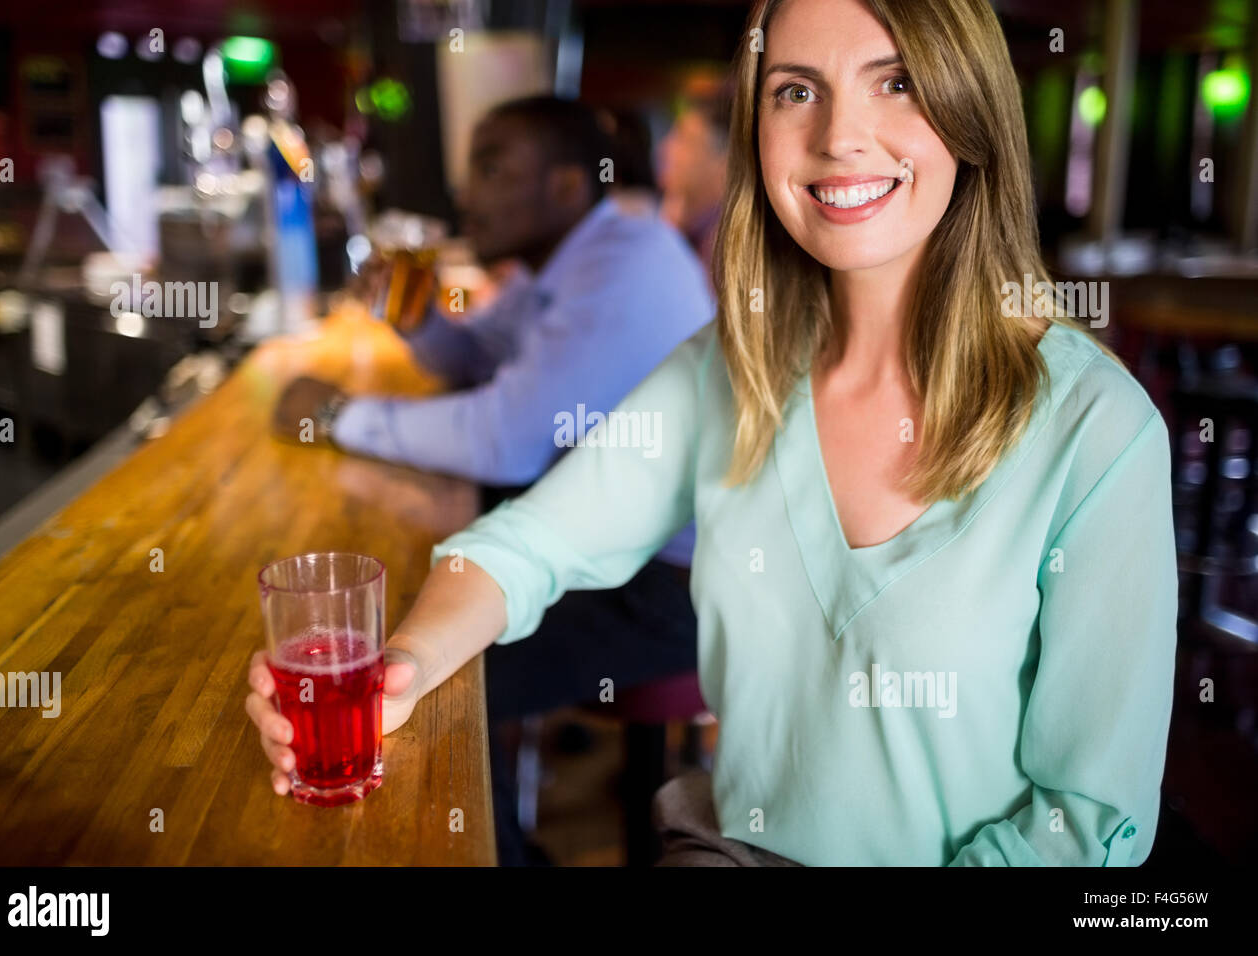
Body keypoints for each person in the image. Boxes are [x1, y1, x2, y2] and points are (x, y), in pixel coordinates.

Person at [249, 0, 1178, 866]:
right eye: (796, 91)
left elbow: (1089, 822)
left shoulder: (1095, 428)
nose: (839, 137)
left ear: (973, 111)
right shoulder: (730, 367)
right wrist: (401, 670)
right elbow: (526, 543)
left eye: (896, 81)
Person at [266, 95, 713, 865]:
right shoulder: (560, 264)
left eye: (491, 168)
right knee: (423, 617)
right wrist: (416, 319)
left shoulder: (623, 265)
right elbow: (474, 361)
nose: (464, 192)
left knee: (449, 688)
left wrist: (339, 414)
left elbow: (505, 440)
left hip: (672, 589)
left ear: (568, 187)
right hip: (602, 540)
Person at [657, 85, 731, 275]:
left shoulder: (725, 250)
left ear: (724, 164)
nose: (666, 149)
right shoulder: (686, 228)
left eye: (685, 140)